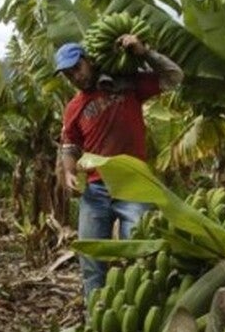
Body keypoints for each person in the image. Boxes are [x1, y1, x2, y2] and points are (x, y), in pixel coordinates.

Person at [55, 36, 183, 299]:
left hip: (133, 185)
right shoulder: (74, 108)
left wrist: (144, 52)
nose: (75, 77)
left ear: (88, 61)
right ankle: (96, 322)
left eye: (77, 68)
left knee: (140, 257)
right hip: (94, 190)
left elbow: (173, 76)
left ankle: (141, 315)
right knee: (91, 262)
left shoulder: (126, 84)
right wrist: (68, 171)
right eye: (69, 75)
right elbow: (70, 145)